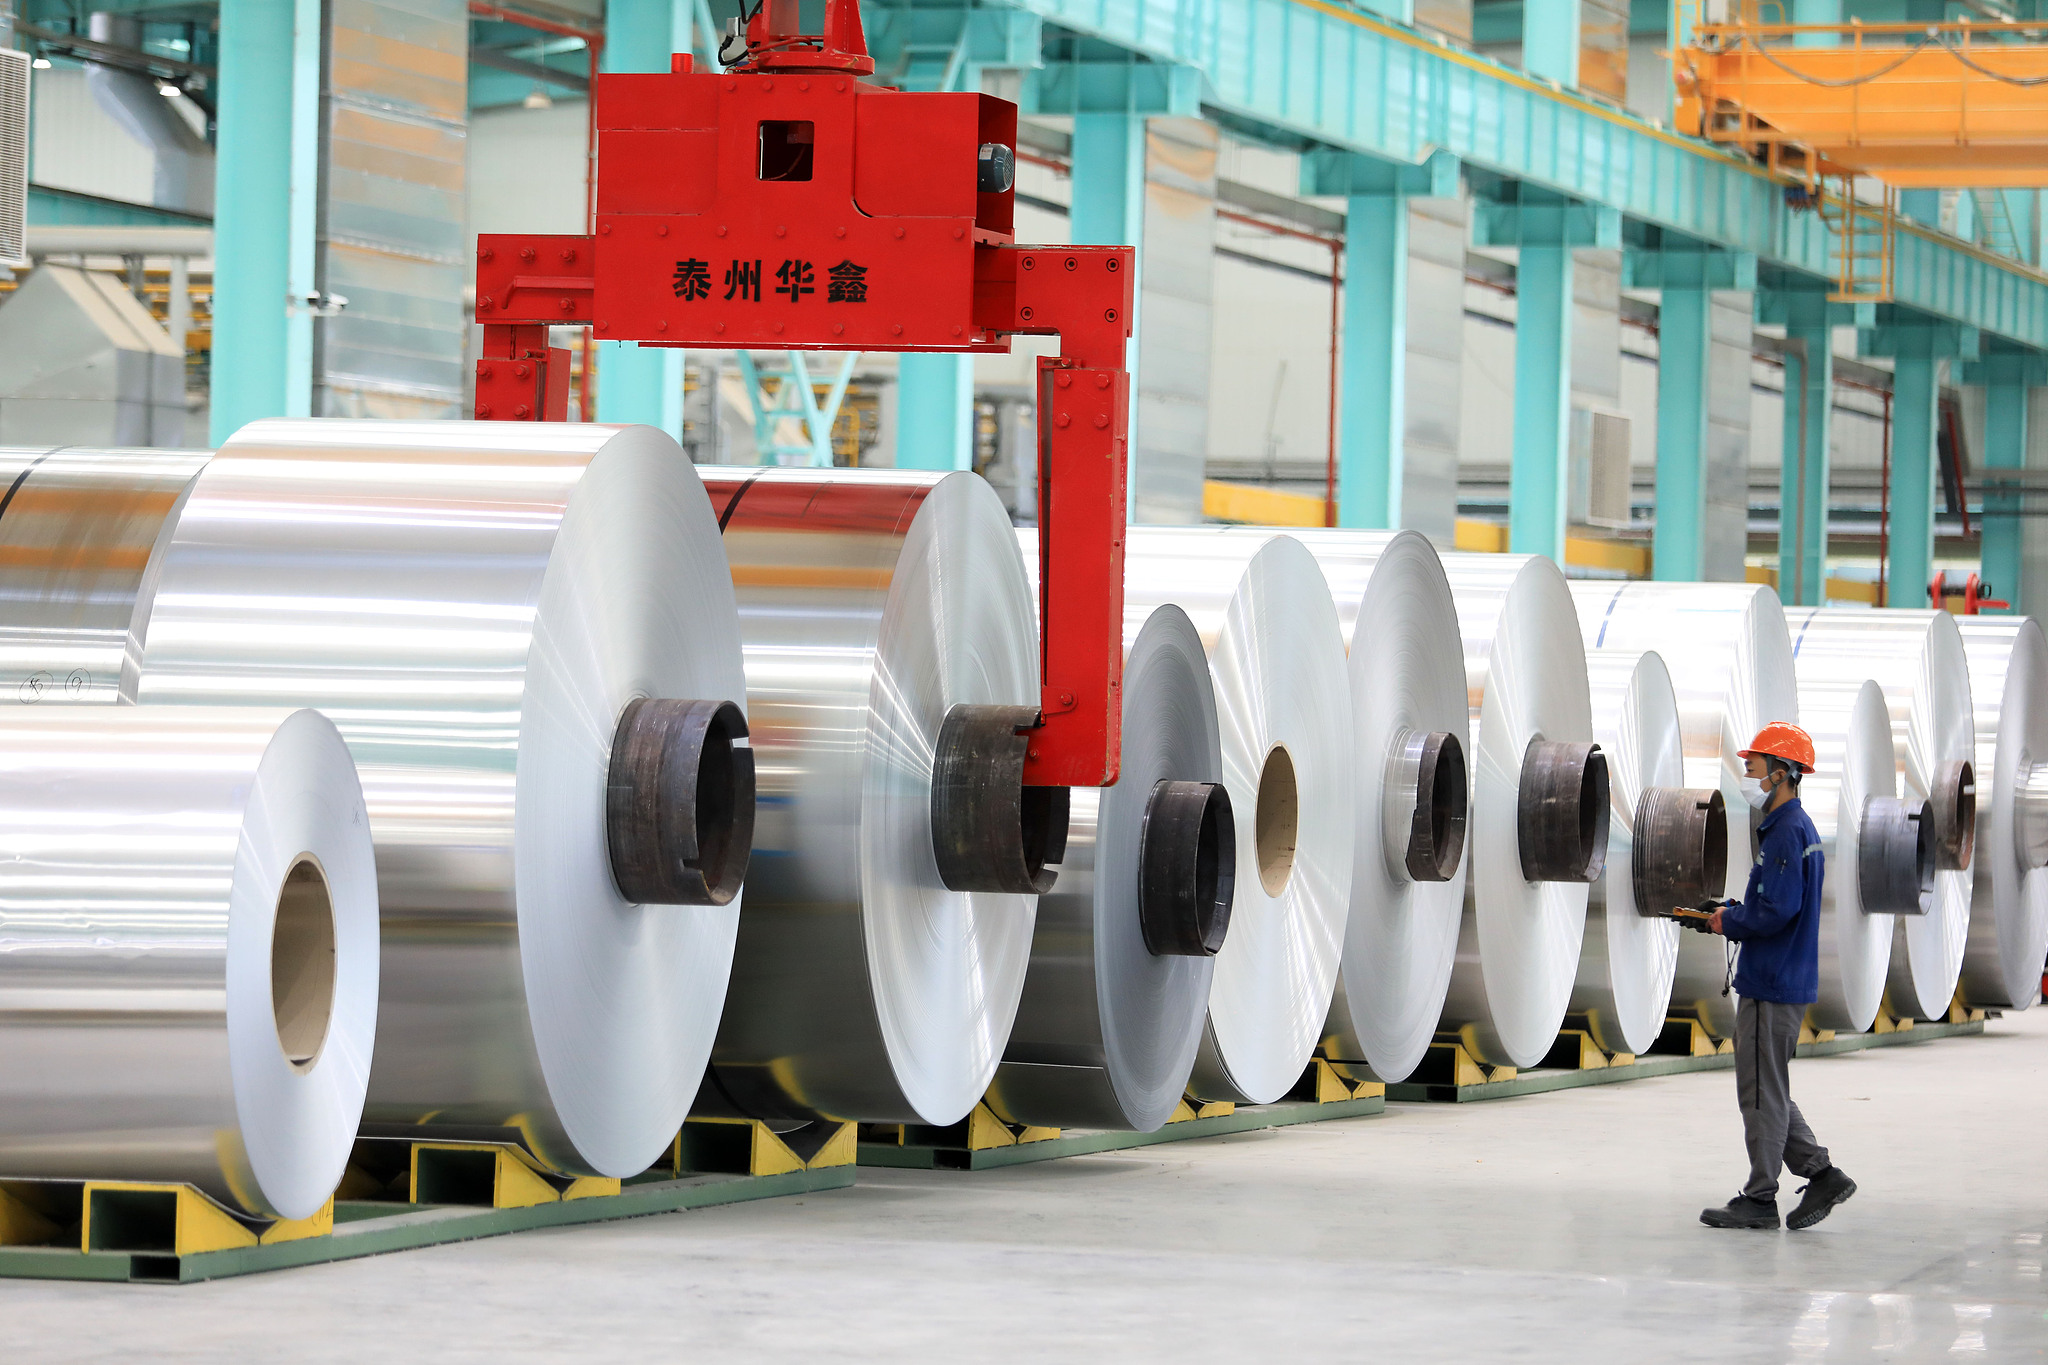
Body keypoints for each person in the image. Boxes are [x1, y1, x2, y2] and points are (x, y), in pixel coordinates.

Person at [1696, 721, 1857, 1232]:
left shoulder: (1787, 830)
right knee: (1769, 1088)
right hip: (1778, 975)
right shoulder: (1792, 828)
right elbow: (1777, 903)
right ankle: (1821, 1174)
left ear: (1782, 772)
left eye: (1755, 763)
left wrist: (1733, 920)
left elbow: (1779, 909)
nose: (1747, 770)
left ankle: (1760, 1198)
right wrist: (1734, 911)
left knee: (1762, 1091)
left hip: (1772, 979)